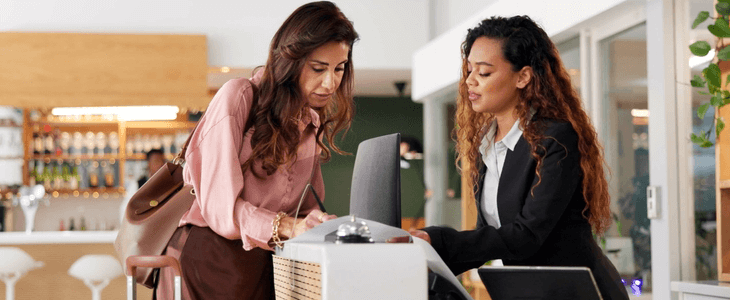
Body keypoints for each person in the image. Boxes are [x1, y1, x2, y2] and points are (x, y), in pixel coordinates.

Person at [393, 16, 629, 299]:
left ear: (523, 77)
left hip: (579, 292)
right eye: (469, 70)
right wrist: (424, 252)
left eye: (484, 73)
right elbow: (489, 236)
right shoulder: (487, 146)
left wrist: (438, 239)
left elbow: (527, 235)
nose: (470, 81)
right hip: (532, 292)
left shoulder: (555, 138)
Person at [155, 2, 358, 299]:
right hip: (206, 258)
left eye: (339, 69)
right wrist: (286, 225)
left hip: (261, 263)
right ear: (291, 60)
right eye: (318, 68)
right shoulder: (238, 97)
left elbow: (305, 205)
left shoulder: (310, 123)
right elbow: (220, 208)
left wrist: (316, 223)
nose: (330, 83)